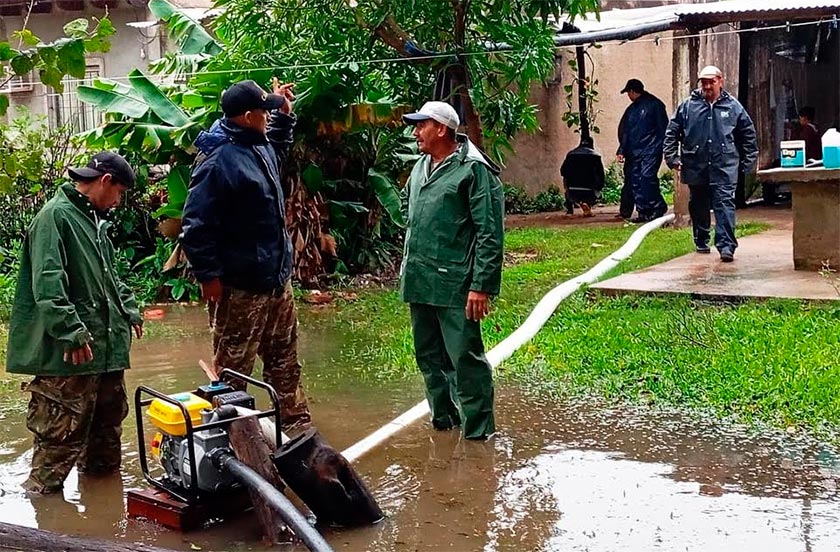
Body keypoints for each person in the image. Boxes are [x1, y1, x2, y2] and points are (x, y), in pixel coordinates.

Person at [6, 152, 143, 494]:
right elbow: (48, 281)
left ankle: (103, 518)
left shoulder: (93, 222)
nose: (119, 201)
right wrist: (70, 331)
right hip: (71, 356)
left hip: (105, 350)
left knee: (106, 440)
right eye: (120, 192)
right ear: (105, 181)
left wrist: (130, 310)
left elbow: (111, 277)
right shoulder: (56, 216)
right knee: (58, 442)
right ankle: (36, 534)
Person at [180, 78, 311, 434]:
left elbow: (277, 153)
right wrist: (209, 277)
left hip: (275, 278)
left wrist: (285, 117)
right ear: (249, 116)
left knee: (285, 359)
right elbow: (195, 226)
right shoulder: (218, 159)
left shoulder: (257, 143)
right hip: (240, 287)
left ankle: (296, 427)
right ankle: (226, 436)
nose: (269, 117)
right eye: (266, 112)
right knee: (234, 369)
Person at [400, 101, 504, 441]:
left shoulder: (472, 170)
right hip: (419, 279)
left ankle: (478, 432)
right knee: (429, 356)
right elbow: (409, 212)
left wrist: (481, 285)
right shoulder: (420, 168)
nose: (416, 131)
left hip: (455, 283)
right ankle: (443, 422)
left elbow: (489, 231)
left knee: (464, 359)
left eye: (422, 125)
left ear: (441, 129)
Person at [663, 65, 758, 263]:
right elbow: (672, 132)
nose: (707, 86)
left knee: (724, 204)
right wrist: (672, 158)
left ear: (720, 81)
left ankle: (726, 246)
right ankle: (701, 240)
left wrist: (748, 162)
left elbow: (748, 134)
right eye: (703, 82)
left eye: (711, 82)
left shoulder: (733, 107)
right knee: (699, 205)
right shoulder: (688, 106)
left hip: (724, 165)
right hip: (695, 165)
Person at [617, 78, 669, 223]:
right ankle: (644, 211)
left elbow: (663, 128)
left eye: (628, 92)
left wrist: (660, 147)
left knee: (646, 178)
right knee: (635, 181)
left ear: (632, 92)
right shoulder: (632, 110)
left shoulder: (655, 105)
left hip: (650, 150)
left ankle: (657, 207)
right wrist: (622, 150)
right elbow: (626, 132)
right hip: (635, 151)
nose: (628, 96)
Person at [560, 136, 605, 217]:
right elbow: (601, 175)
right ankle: (588, 203)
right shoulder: (596, 156)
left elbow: (563, 171)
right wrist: (599, 186)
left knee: (566, 178)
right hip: (590, 189)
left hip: (572, 189)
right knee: (597, 179)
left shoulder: (571, 155)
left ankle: (570, 210)